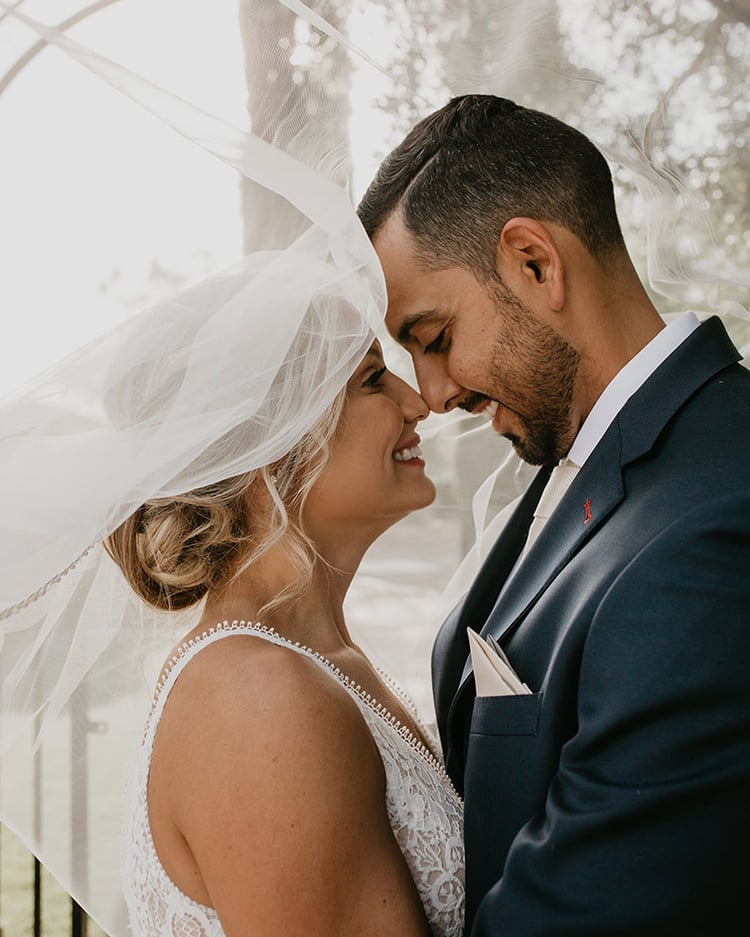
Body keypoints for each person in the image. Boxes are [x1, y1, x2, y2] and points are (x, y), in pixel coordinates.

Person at [357, 93, 750, 936]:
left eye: (433, 336)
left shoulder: (715, 526)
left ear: (535, 263)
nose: (433, 394)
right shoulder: (572, 462)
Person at [111, 333, 464, 937]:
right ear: (272, 444)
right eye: (374, 380)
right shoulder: (256, 700)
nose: (418, 403)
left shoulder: (316, 661)